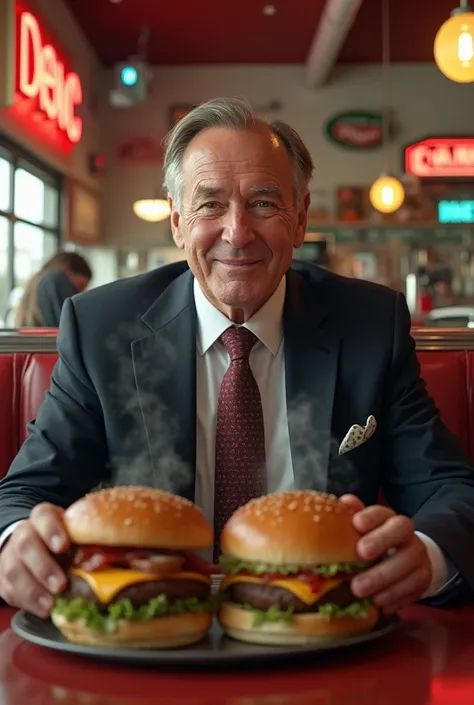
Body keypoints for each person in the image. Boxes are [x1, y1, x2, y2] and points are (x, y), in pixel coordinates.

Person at [0, 97, 474, 620]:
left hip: (323, 634)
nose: (237, 232)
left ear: (300, 221)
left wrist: (427, 558)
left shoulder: (368, 324)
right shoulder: (101, 328)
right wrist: (16, 543)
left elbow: (447, 488)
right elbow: (25, 492)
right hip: (150, 630)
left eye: (264, 203)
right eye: (210, 204)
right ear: (178, 223)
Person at [13, 251, 92, 328]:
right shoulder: (57, 279)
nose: (80, 292)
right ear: (68, 270)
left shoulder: (37, 280)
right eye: (80, 285)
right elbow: (67, 326)